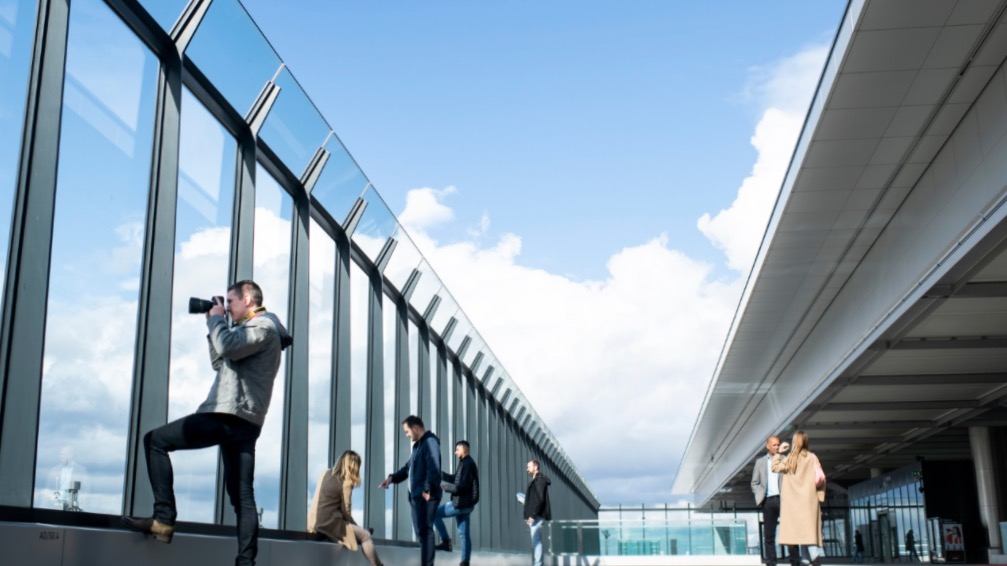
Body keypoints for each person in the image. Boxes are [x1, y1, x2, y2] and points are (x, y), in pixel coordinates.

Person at [121, 280, 291, 566]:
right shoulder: (251, 330)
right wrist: (214, 325)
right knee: (242, 496)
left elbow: (226, 345)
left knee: (155, 441)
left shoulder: (264, 326)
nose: (227, 307)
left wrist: (216, 322)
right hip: (246, 421)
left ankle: (163, 519)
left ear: (248, 299)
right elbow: (221, 361)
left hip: (229, 413)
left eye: (231, 302)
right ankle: (245, 562)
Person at [379, 415, 442, 566]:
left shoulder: (430, 442)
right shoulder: (418, 447)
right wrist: (392, 478)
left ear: (416, 428)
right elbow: (408, 468)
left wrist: (427, 489)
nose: (407, 435)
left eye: (407, 431)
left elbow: (434, 468)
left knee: (426, 530)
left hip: (425, 494)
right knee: (422, 533)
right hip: (416, 496)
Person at [308, 450, 383, 566]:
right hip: (330, 523)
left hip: (315, 522)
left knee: (357, 530)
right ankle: (377, 564)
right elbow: (346, 514)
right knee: (366, 536)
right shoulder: (346, 483)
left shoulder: (325, 474)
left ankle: (360, 530)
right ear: (353, 466)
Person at [772, 431, 826, 566]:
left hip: (793, 504)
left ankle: (814, 560)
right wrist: (819, 497)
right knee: (807, 534)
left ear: (794, 442)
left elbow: (775, 467)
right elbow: (821, 477)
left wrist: (778, 452)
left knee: (799, 535)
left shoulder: (790, 458)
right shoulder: (812, 457)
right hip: (809, 503)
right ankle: (810, 560)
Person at [752, 435, 799, 566]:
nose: (777, 447)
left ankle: (795, 563)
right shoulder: (760, 462)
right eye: (774, 445)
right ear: (767, 446)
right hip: (768, 501)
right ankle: (771, 563)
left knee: (790, 533)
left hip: (784, 500)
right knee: (769, 536)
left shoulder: (785, 460)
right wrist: (760, 495)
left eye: (778, 444)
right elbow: (754, 483)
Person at [433, 440, 480, 566]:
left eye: (457, 449)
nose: (455, 452)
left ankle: (446, 542)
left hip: (460, 503)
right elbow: (456, 479)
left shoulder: (468, 464)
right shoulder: (465, 463)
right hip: (466, 504)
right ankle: (465, 562)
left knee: (434, 513)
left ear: (464, 450)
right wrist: (441, 474)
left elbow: (463, 486)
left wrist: (446, 487)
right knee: (464, 534)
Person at [523, 459, 552, 566]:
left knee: (536, 541)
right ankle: (538, 563)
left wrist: (533, 515)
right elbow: (536, 499)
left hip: (537, 516)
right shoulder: (538, 481)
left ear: (535, 467)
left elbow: (540, 499)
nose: (527, 469)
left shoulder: (539, 481)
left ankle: (538, 564)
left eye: (528, 467)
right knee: (536, 541)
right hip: (537, 515)